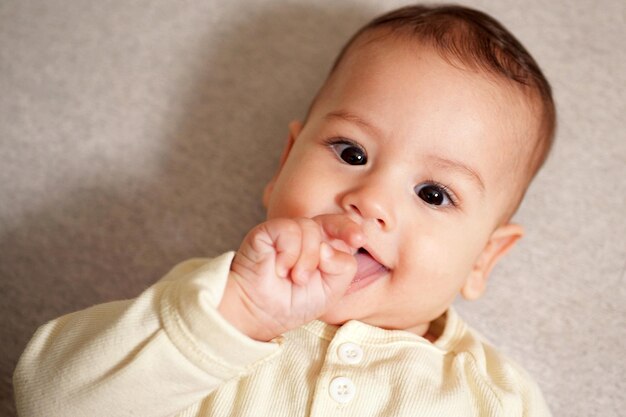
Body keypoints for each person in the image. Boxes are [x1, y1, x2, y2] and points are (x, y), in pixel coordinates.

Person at [13, 4, 556, 416]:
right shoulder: (214, 308)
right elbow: (48, 398)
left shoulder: (496, 398)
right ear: (284, 164)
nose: (369, 199)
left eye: (433, 194)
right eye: (352, 153)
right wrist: (237, 316)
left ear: (485, 256)